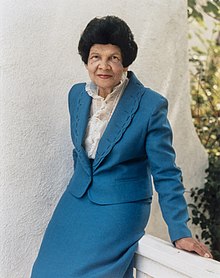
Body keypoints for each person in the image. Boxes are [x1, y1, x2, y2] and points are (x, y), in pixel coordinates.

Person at [31, 15, 212, 278]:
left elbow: (166, 172)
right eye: (96, 57)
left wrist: (179, 231)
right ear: (86, 61)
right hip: (76, 200)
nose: (103, 66)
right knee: (45, 271)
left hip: (120, 207)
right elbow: (82, 153)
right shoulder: (76, 95)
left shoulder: (150, 106)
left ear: (125, 62)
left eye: (113, 58)